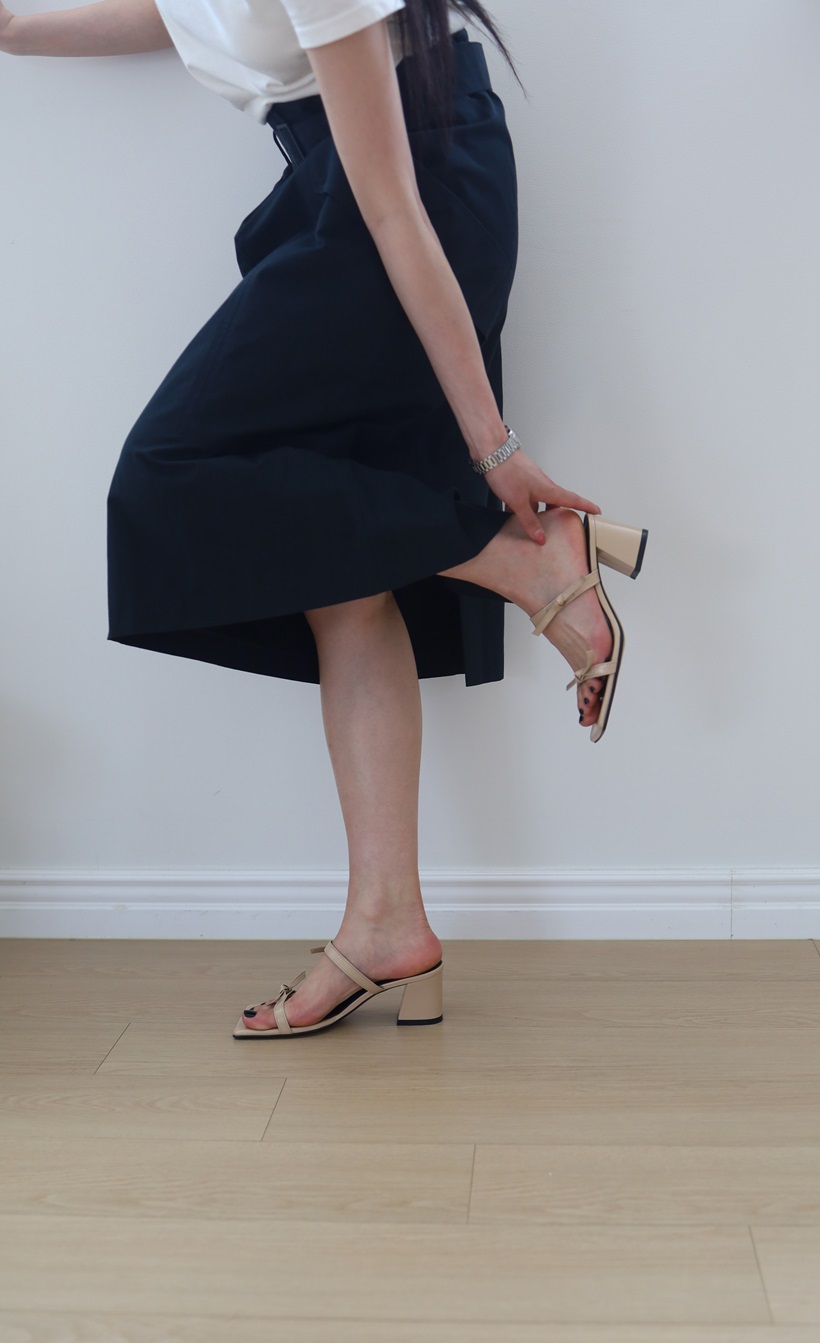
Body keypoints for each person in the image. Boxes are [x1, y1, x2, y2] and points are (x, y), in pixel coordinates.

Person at [1, 0, 647, 1037]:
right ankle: (388, 922)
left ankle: (521, 558)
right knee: (337, 577)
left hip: (410, 207)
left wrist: (494, 451)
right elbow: (183, 9)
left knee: (170, 472)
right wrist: (12, 30)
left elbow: (393, 212)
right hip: (346, 196)